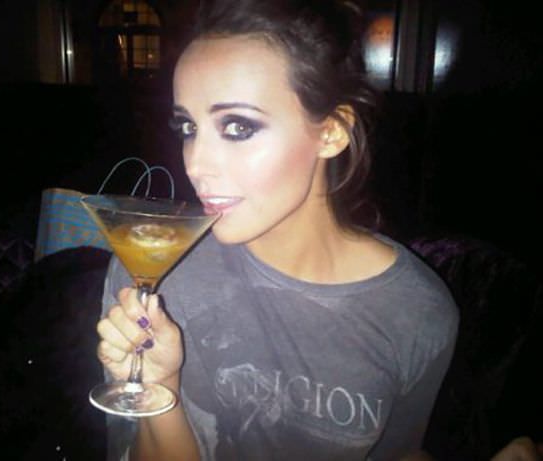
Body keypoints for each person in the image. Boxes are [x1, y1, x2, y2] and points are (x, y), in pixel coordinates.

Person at [96, 1, 460, 460]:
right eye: (188, 127)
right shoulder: (152, 272)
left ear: (331, 132)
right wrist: (160, 387)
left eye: (237, 127)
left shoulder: (418, 312)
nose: (195, 164)